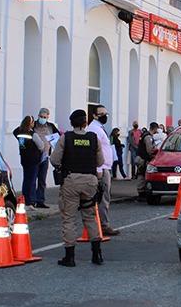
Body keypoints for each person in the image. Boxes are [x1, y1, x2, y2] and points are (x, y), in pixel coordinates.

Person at [51, 109, 105, 266]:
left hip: (71, 181)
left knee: (69, 218)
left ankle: (70, 257)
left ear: (71, 123)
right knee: (90, 216)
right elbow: (100, 162)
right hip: (90, 181)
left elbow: (54, 160)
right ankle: (97, 255)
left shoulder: (65, 138)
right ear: (85, 123)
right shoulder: (94, 138)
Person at [87, 106, 119, 237]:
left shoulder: (99, 128)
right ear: (94, 115)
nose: (105, 116)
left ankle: (101, 224)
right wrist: (99, 168)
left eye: (106, 113)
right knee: (103, 198)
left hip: (106, 166)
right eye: (101, 114)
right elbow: (94, 150)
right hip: (101, 168)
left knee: (104, 197)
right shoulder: (94, 129)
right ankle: (103, 225)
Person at [13, 116, 45, 206]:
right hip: (33, 160)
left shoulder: (19, 133)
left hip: (24, 159)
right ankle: (31, 200)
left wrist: (22, 125)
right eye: (32, 122)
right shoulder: (33, 134)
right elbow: (41, 146)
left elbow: (14, 131)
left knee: (26, 179)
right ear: (30, 124)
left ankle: (25, 198)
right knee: (32, 180)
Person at [33, 107, 59, 208]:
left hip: (45, 156)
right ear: (38, 116)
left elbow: (58, 137)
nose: (42, 118)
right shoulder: (33, 124)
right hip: (34, 156)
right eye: (41, 116)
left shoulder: (51, 126)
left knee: (42, 180)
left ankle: (40, 201)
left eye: (44, 117)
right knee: (32, 179)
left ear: (48, 117)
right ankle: (31, 200)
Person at [136, 122, 159, 200]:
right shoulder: (148, 137)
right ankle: (141, 193)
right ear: (155, 128)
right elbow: (149, 150)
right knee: (142, 175)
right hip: (143, 159)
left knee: (141, 174)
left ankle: (141, 192)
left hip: (140, 158)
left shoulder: (144, 135)